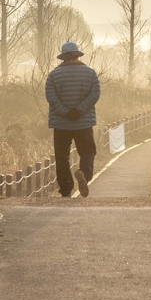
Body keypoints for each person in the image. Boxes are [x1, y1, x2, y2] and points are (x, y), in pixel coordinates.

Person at [46, 41, 101, 197]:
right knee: (88, 151)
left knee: (62, 155)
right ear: (77, 55)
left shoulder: (53, 75)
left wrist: (65, 112)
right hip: (84, 122)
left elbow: (51, 97)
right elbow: (95, 94)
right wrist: (80, 110)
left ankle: (65, 189)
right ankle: (84, 174)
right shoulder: (90, 73)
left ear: (63, 58)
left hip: (61, 123)